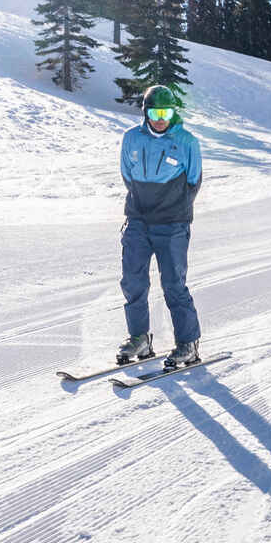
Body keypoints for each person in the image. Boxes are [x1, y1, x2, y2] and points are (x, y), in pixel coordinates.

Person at [117, 85, 204, 369]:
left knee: (173, 284)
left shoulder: (187, 142)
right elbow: (127, 176)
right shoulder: (131, 138)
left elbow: (194, 182)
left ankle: (188, 343)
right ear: (146, 113)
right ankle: (139, 338)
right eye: (155, 113)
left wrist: (173, 209)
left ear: (173, 113)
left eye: (166, 113)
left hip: (172, 224)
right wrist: (142, 204)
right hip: (138, 219)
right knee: (133, 280)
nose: (161, 119)